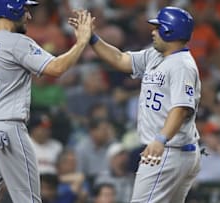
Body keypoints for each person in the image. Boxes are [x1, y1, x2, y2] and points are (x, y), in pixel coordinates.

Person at [0, 0, 93, 202]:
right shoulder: (16, 42)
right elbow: (56, 68)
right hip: (7, 127)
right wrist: (82, 42)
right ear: (12, 9)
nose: (29, 16)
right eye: (25, 10)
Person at [69, 6, 201, 202]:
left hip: (167, 151)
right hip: (174, 151)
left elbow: (181, 109)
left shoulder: (182, 65)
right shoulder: (156, 55)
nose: (153, 31)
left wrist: (160, 140)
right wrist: (92, 38)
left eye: (158, 28)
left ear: (169, 31)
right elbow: (120, 59)